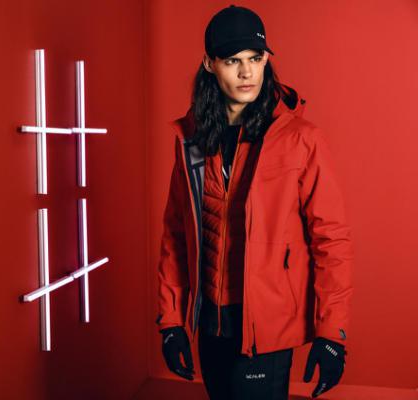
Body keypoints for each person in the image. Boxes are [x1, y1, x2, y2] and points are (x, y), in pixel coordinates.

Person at [155, 5, 353, 399]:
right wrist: (172, 321)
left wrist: (332, 333)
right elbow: (177, 234)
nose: (247, 73)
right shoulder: (193, 140)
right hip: (210, 324)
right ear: (210, 64)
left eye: (256, 58)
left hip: (267, 328)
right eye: (233, 61)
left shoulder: (301, 139)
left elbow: (331, 240)